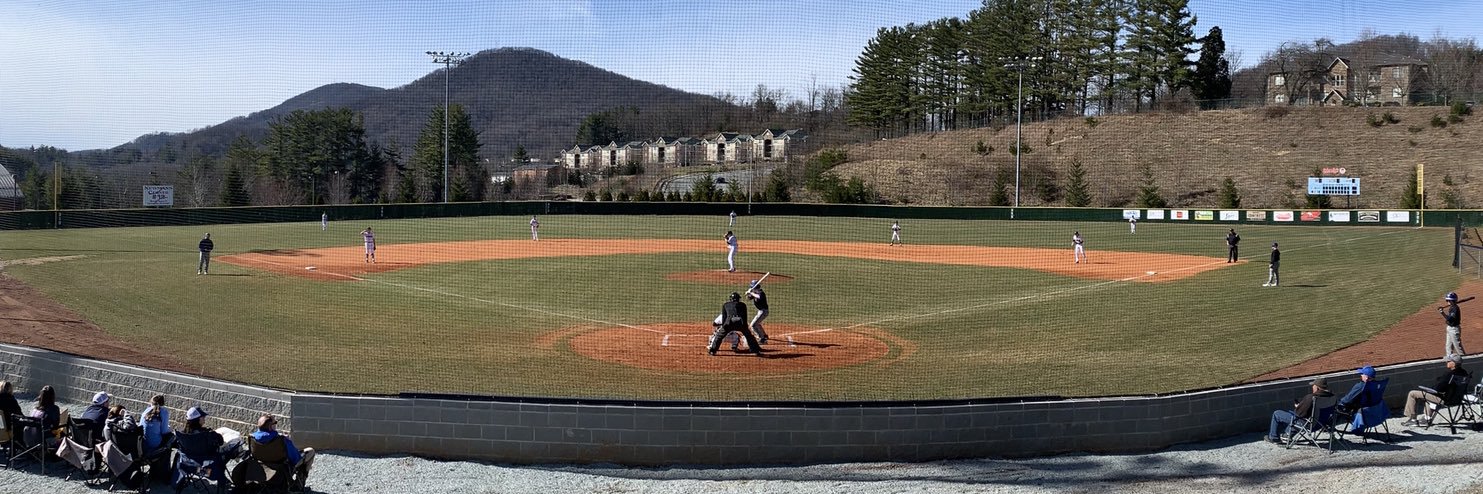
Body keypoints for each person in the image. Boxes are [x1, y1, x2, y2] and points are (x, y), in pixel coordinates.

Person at [248, 414, 315, 491]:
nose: (276, 425)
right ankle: (299, 484)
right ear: (270, 426)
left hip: (261, 465)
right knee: (310, 451)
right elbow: (295, 458)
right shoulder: (281, 440)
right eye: (275, 422)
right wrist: (288, 441)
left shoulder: (252, 438)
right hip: (282, 466)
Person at [1402, 355, 1468, 427]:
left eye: (1449, 361)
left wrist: (1436, 384)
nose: (1446, 362)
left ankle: (1413, 419)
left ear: (1454, 363)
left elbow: (1438, 388)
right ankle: (1427, 418)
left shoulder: (1450, 374)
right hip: (1457, 399)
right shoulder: (1464, 373)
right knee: (1428, 394)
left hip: (1445, 399)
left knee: (1412, 393)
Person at [174, 406, 228, 490]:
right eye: (203, 417)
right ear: (198, 420)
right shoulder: (207, 434)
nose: (204, 418)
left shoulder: (181, 433)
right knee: (225, 454)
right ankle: (222, 480)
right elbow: (220, 441)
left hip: (187, 467)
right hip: (208, 471)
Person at [1265, 377, 1331, 443]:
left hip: (1307, 424)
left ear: (1317, 388)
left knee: (1277, 414)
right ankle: (1287, 434)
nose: (1312, 387)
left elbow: (1299, 414)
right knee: (1291, 413)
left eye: (1313, 386)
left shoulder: (1311, 398)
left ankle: (1273, 437)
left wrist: (1298, 406)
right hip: (1321, 424)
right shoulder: (1332, 397)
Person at [706, 292, 763, 357]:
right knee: (749, 336)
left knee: (719, 336)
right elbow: (744, 316)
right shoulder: (743, 305)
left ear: (731, 299)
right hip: (740, 323)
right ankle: (756, 351)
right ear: (738, 299)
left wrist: (724, 327)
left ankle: (712, 351)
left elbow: (724, 317)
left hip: (729, 323)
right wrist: (745, 327)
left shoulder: (726, 305)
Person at [1440, 292, 1465, 359]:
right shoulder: (1452, 307)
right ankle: (1449, 359)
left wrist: (1442, 313)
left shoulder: (1455, 308)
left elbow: (1450, 319)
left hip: (1454, 329)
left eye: (1448, 300)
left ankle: (1466, 360)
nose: (1447, 301)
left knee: (1458, 347)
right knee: (1448, 346)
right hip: (1449, 328)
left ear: (1451, 301)